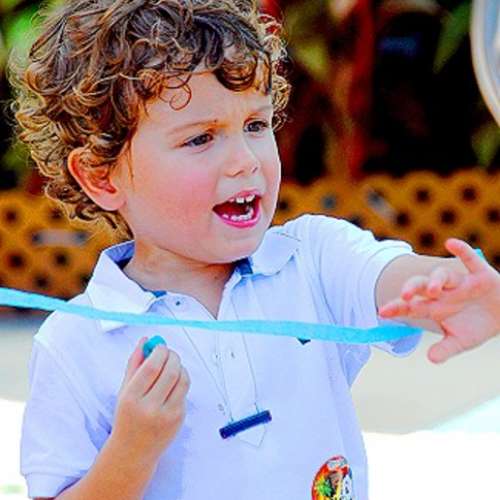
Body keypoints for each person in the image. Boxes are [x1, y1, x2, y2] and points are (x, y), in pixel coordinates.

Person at [10, 1, 500, 499]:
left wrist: (451, 290)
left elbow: (389, 278)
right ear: (101, 176)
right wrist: (131, 451)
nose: (245, 161)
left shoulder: (312, 259)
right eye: (200, 139)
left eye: (255, 125)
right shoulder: (74, 346)